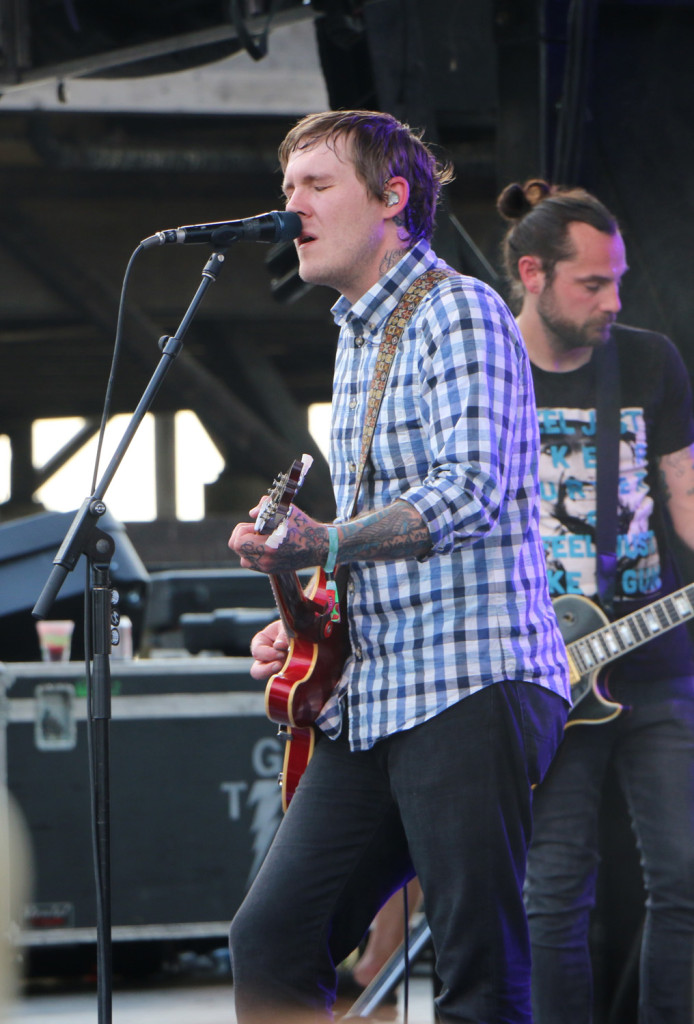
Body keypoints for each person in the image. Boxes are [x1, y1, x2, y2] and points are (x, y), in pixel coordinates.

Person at [227, 110, 571, 1024]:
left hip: (471, 679)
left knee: (477, 973)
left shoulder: (459, 308)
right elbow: (379, 535)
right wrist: (308, 616)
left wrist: (327, 542)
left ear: (392, 199)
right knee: (271, 941)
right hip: (376, 691)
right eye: (286, 186)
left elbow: (475, 491)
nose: (289, 205)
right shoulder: (357, 337)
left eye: (315, 186)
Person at [497, 178, 694, 1023]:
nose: (614, 300)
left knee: (685, 880)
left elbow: (686, 495)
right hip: (543, 676)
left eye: (617, 281)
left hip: (657, 662)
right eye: (593, 283)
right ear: (533, 273)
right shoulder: (492, 372)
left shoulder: (649, 360)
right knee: (554, 893)